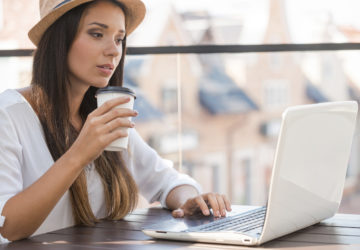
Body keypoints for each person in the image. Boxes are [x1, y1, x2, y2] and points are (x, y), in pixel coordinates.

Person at [0, 0, 231, 243]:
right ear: (59, 39)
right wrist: (78, 154)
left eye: (119, 39)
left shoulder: (103, 114)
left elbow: (167, 180)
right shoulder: (9, 115)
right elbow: (8, 227)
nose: (113, 50)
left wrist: (189, 201)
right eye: (97, 33)